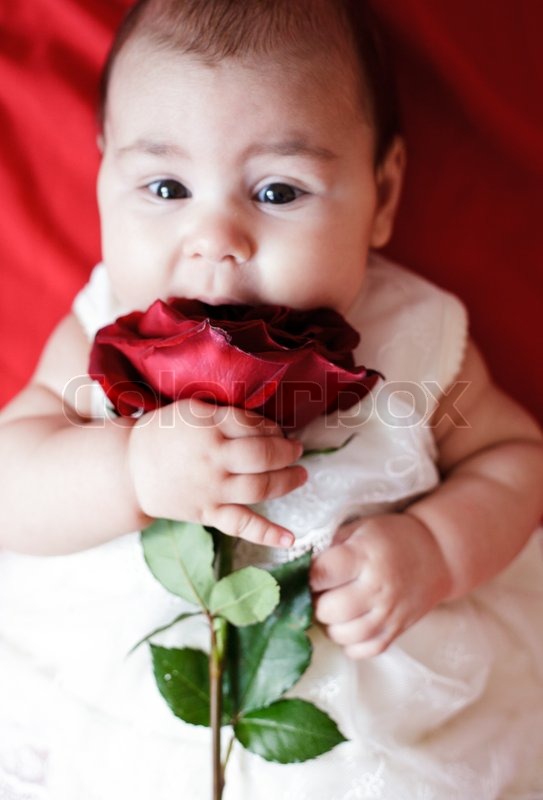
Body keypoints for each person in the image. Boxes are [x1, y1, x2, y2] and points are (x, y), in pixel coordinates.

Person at [0, 0, 542, 797]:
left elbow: (512, 459)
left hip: (370, 743)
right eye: (165, 185)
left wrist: (434, 549)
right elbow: (13, 482)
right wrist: (129, 472)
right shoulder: (95, 334)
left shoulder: (417, 346)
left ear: (381, 195)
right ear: (102, 176)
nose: (216, 237)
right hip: (122, 729)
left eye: (279, 191)